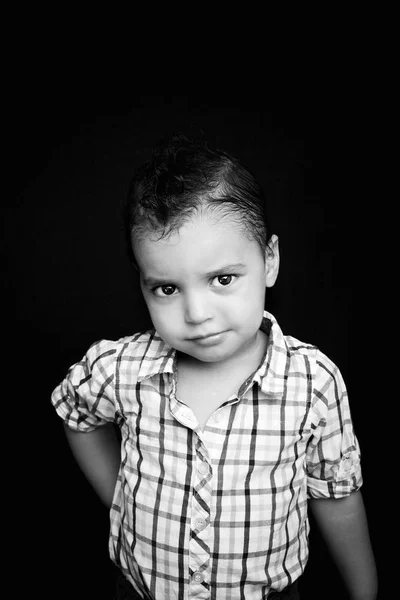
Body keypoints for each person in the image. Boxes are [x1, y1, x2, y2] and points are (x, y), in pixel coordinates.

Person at [51, 133, 378, 600]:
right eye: (166, 288)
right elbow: (75, 412)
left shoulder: (312, 383)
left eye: (222, 279)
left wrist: (365, 591)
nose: (196, 313)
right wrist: (119, 498)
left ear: (269, 260)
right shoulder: (119, 368)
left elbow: (338, 495)